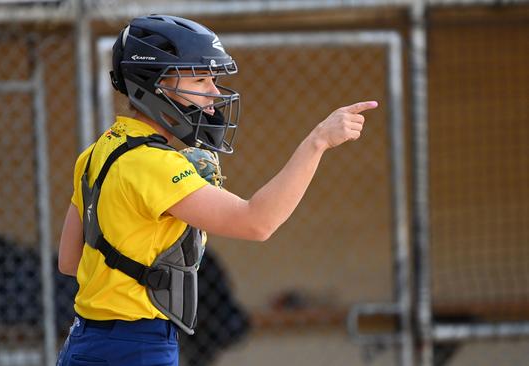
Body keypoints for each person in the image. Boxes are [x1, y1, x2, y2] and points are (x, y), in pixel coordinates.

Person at [56, 14, 377, 366]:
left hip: (85, 342)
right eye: (199, 78)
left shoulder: (97, 152)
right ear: (155, 84)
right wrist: (317, 142)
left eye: (212, 78)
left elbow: (70, 261)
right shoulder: (157, 164)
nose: (212, 94)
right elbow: (258, 222)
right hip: (139, 347)